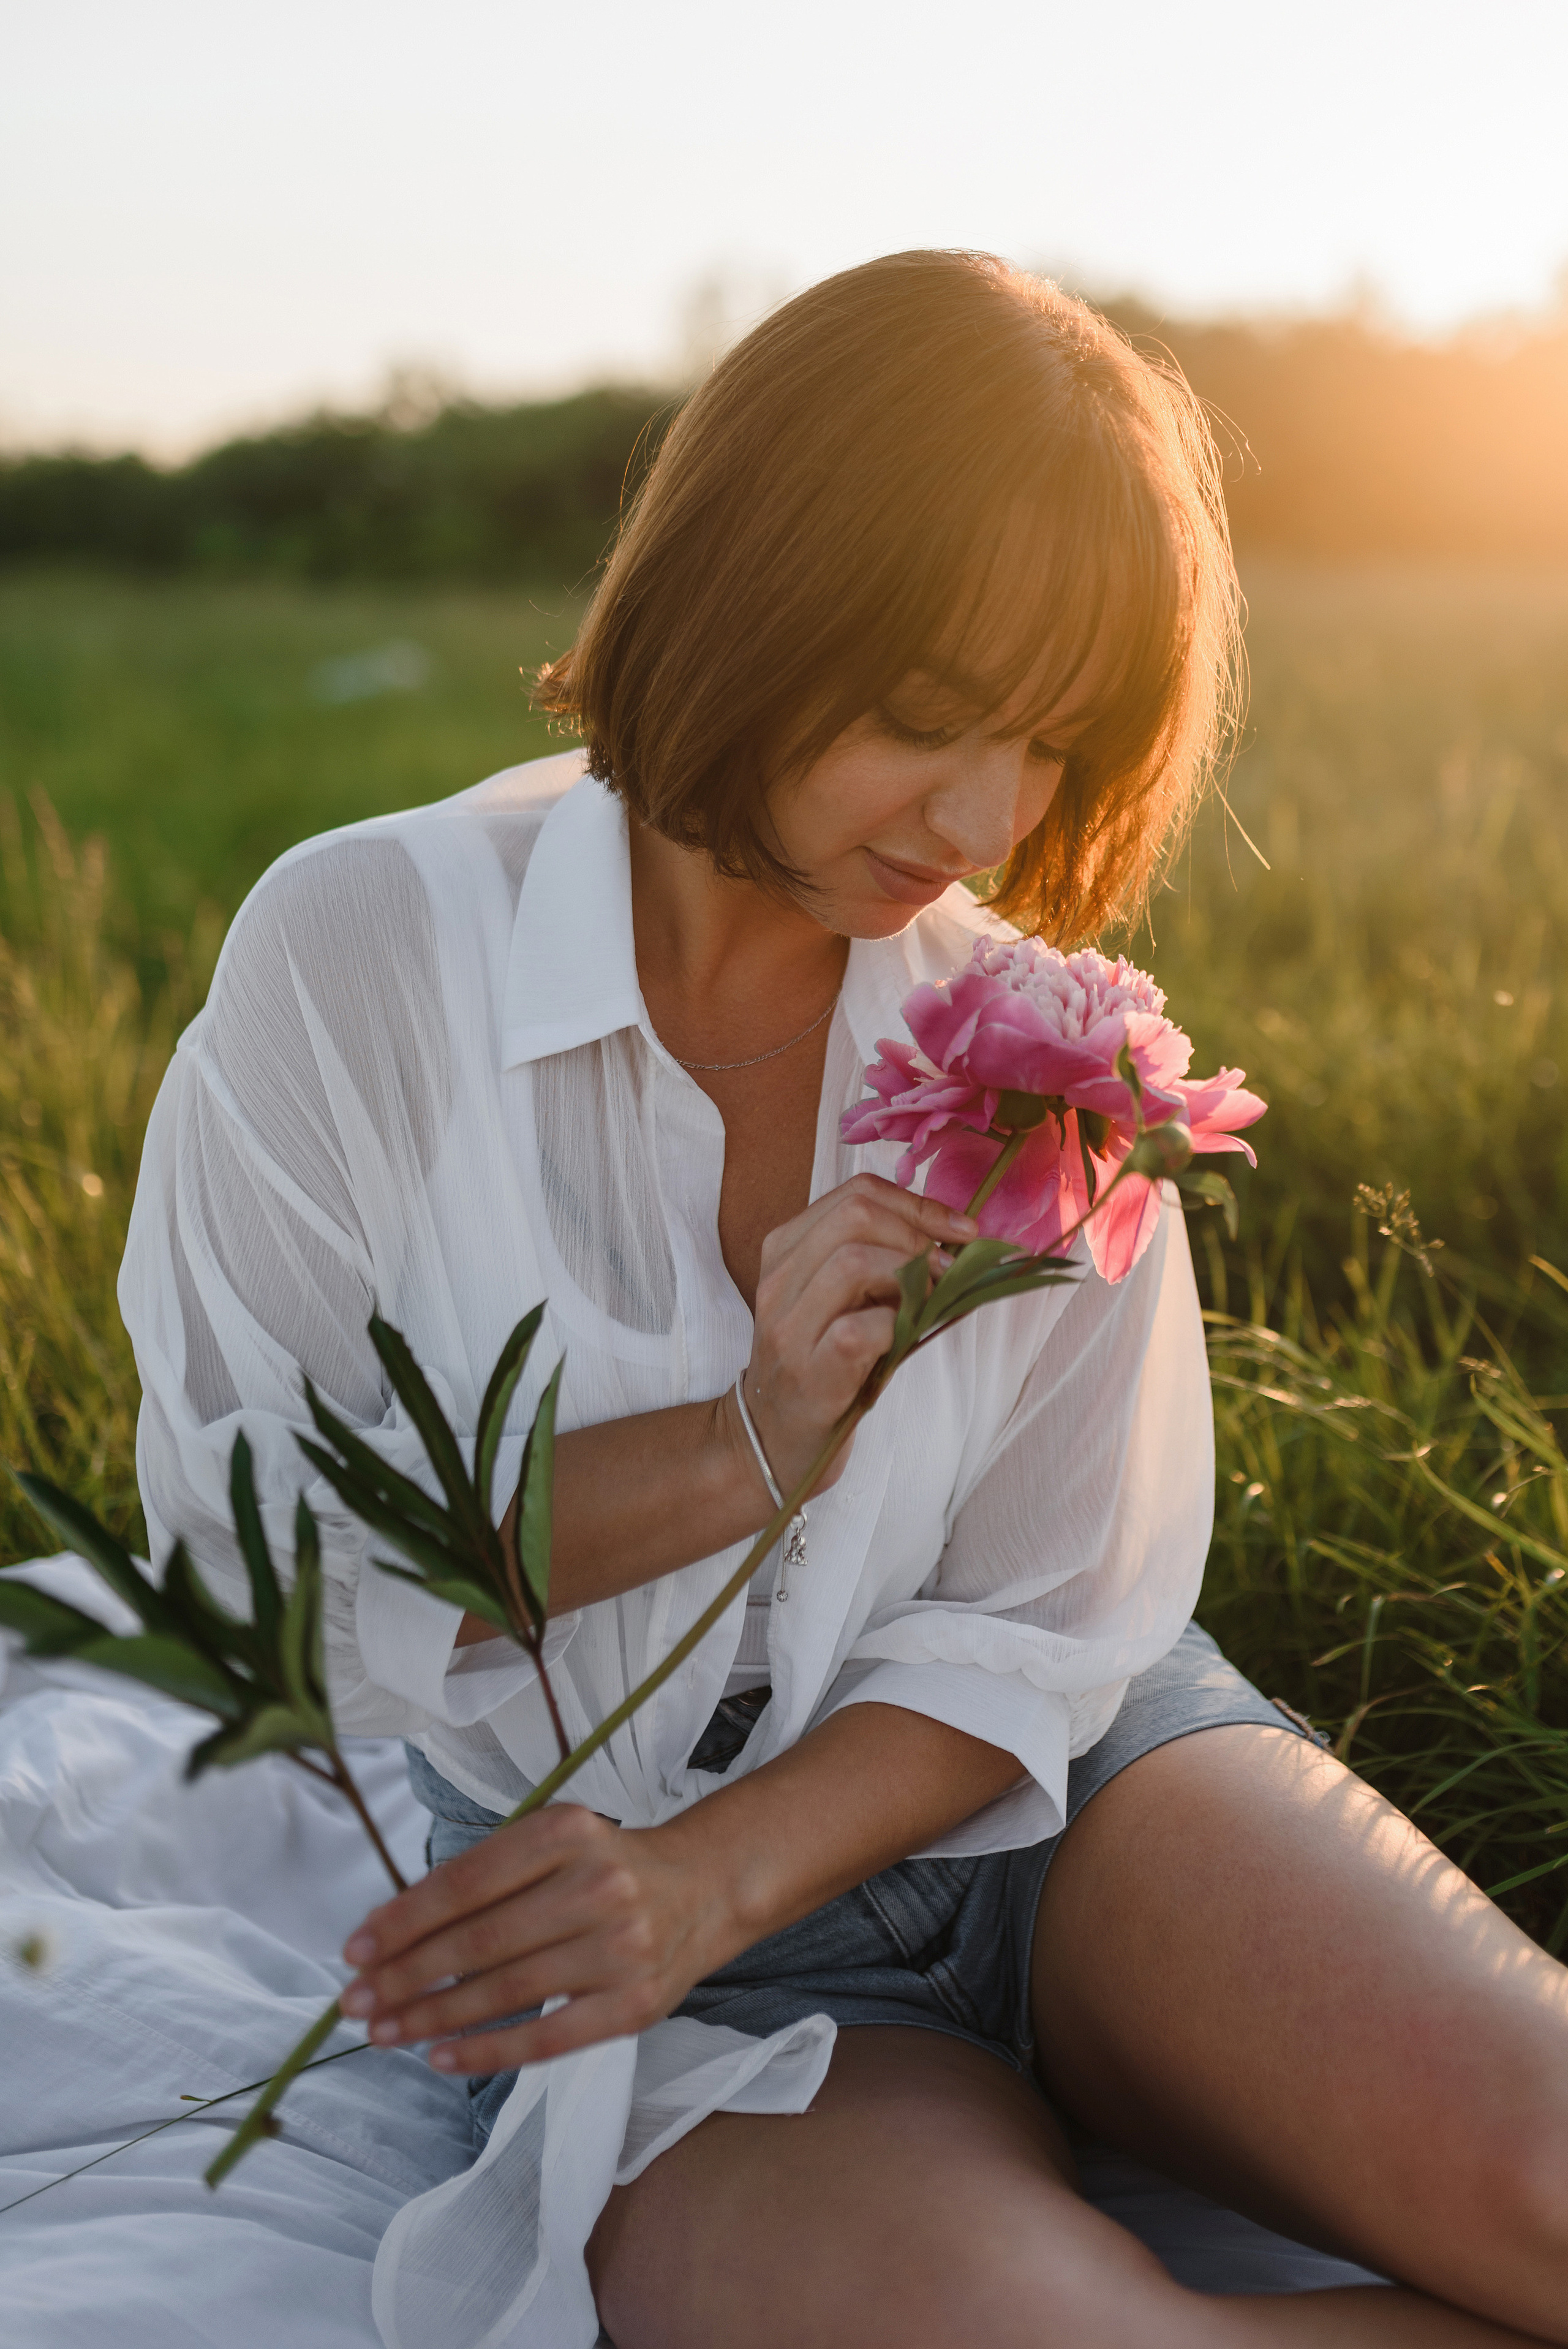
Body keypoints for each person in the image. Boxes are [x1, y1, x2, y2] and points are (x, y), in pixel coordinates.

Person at [120, 252, 1568, 2348]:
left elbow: (1065, 1614)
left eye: (1052, 746)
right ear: (748, 601)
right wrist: (739, 1455)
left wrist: (726, 1855)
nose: (987, 824)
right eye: (922, 717)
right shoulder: (361, 961)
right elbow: (247, 1569)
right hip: (667, 1950)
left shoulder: (1034, 1035)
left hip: (1071, 1794)